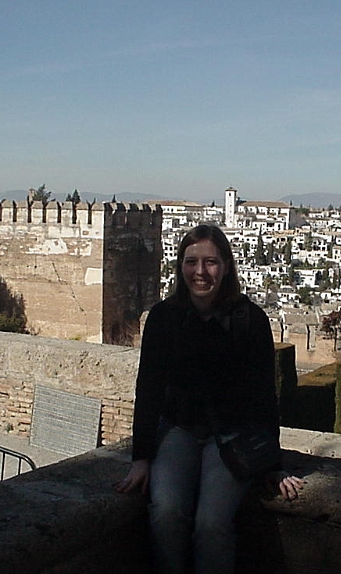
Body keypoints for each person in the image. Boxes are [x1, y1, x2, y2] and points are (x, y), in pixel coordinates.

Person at [114, 224, 303, 574]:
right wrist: (141, 457)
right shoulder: (163, 319)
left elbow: (264, 394)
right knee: (166, 512)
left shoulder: (250, 321)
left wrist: (271, 465)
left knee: (212, 524)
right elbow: (149, 389)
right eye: (191, 262)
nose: (200, 272)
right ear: (180, 266)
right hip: (180, 429)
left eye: (211, 262)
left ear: (226, 266)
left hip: (232, 435)